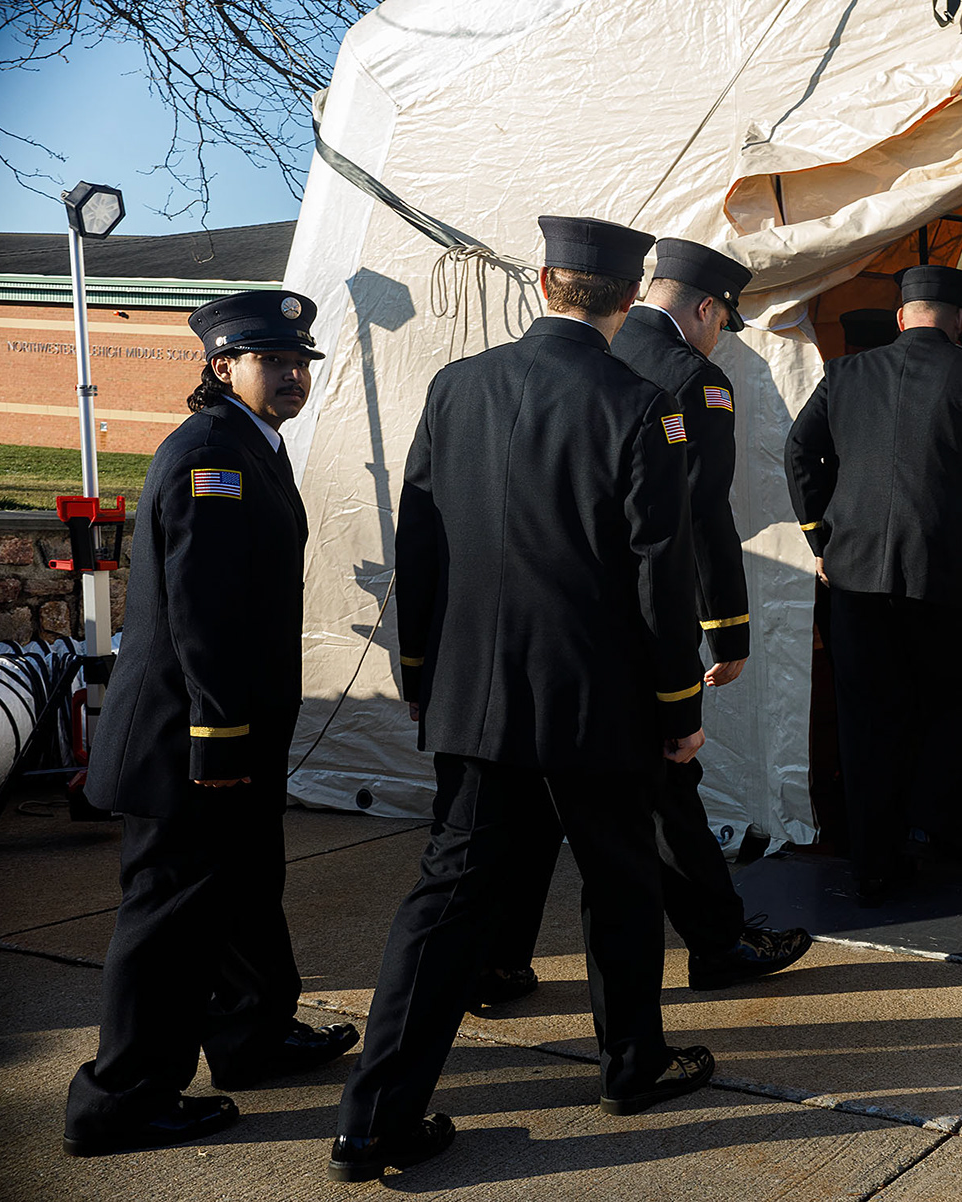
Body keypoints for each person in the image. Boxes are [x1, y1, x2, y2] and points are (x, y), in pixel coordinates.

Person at [327, 216, 714, 1182]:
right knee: (620, 883)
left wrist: (423, 677)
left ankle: (372, 1120)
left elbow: (420, 541)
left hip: (475, 695)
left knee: (447, 897)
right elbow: (661, 575)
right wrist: (679, 705)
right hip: (597, 701)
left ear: (543, 281)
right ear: (629, 298)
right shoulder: (641, 403)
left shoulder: (456, 386)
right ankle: (631, 1064)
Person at [476, 238, 809, 1004]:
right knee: (663, 788)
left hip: (523, 624)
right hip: (628, 633)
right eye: (721, 321)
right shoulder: (694, 380)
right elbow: (700, 518)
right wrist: (727, 628)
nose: (719, 336)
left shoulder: (559, 355)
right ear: (706, 308)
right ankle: (716, 944)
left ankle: (497, 957)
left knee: (529, 803)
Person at [63, 291, 358, 1157]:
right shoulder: (212, 458)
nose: (294, 375)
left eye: (301, 361)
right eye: (274, 361)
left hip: (229, 731)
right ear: (224, 366)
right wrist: (221, 737)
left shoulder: (248, 445)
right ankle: (120, 1100)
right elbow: (206, 614)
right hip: (189, 739)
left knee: (245, 891)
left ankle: (252, 1035)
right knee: (169, 924)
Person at [783, 265, 962, 904]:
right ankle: (925, 828)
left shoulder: (845, 374)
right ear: (958, 319)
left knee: (866, 717)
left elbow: (799, 451)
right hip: (949, 573)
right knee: (953, 703)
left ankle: (871, 862)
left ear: (900, 317)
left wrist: (821, 537)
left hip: (857, 573)